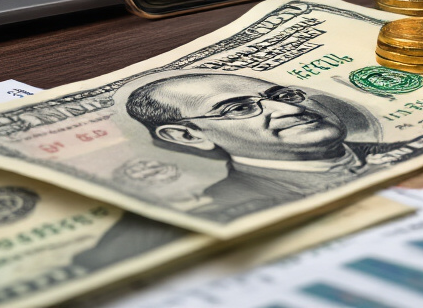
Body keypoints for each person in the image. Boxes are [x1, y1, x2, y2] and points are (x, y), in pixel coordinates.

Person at [125, 72, 377, 218]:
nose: (289, 108)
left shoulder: (399, 151)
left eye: (283, 95)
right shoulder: (221, 210)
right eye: (239, 108)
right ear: (188, 136)